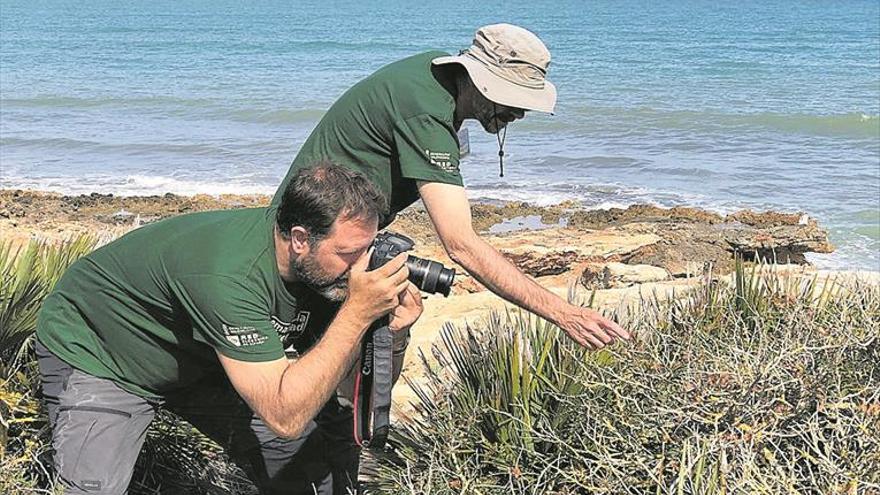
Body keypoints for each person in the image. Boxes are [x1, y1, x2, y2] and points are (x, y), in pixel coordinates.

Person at [35, 163, 421, 494]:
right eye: (349, 253)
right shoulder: (231, 277)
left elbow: (344, 389)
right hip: (103, 352)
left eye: (367, 249)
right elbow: (284, 416)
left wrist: (388, 331)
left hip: (200, 355)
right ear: (300, 239)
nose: (361, 267)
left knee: (301, 462)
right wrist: (356, 314)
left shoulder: (324, 272)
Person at [274, 23, 630, 350]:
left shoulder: (435, 81)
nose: (520, 114)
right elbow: (461, 244)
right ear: (477, 78)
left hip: (339, 244)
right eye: (514, 99)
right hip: (307, 250)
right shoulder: (425, 109)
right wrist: (565, 314)